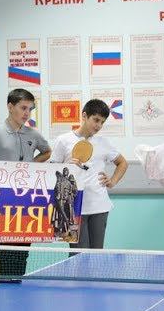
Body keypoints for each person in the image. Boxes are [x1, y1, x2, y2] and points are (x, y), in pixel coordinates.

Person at [0, 89, 51, 276]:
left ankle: (18, 283)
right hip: (2, 200)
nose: (27, 113)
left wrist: (31, 164)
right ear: (10, 106)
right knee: (6, 252)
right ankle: (4, 285)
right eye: (23, 108)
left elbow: (47, 152)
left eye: (30, 109)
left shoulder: (33, 134)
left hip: (26, 200)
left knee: (22, 252)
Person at [49, 99, 128, 249]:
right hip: (73, 207)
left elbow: (122, 163)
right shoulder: (63, 140)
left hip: (100, 206)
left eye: (102, 122)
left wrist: (112, 181)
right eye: (96, 120)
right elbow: (52, 171)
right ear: (84, 116)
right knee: (78, 255)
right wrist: (67, 167)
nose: (98, 125)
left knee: (97, 253)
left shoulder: (104, 142)